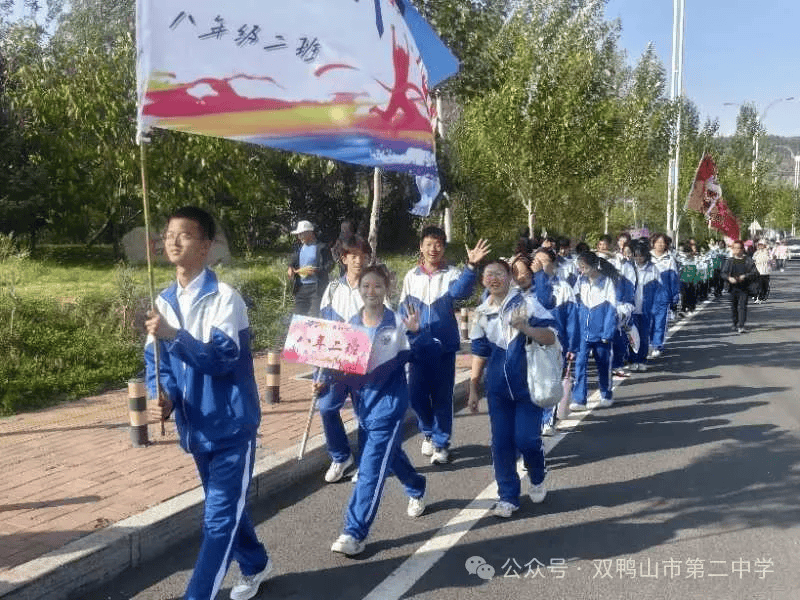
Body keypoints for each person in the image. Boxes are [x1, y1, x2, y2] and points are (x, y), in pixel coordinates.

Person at [145, 206, 271, 600]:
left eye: (184, 235)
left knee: (217, 521)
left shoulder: (225, 299)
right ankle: (255, 563)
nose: (173, 241)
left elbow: (221, 359)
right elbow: (156, 362)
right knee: (227, 508)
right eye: (169, 235)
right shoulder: (163, 301)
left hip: (232, 426)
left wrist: (174, 335)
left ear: (206, 246)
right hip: (195, 425)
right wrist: (163, 396)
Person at [321, 265, 431, 556]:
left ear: (387, 290)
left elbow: (421, 355)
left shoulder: (397, 323)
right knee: (389, 456)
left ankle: (354, 532)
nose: (372, 292)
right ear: (360, 290)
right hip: (364, 407)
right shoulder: (350, 326)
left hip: (390, 407)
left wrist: (417, 333)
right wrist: (325, 384)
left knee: (370, 468)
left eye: (378, 287)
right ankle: (416, 485)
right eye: (366, 286)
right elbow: (343, 370)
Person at [468, 259, 557, 518]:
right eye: (488, 275)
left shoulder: (528, 304)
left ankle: (537, 472)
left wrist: (526, 328)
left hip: (528, 387)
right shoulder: (482, 312)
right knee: (501, 444)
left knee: (526, 439)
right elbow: (479, 351)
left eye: (498, 273)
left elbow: (551, 336)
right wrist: (474, 388)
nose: (493, 279)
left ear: (510, 277)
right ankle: (508, 496)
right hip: (497, 391)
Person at [399, 227, 490, 465]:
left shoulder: (451, 273)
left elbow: (461, 292)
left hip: (443, 348)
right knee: (416, 396)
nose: (433, 248)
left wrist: (471, 267)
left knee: (441, 398)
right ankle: (428, 432)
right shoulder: (411, 276)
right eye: (429, 244)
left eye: (438, 244)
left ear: (443, 248)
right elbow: (402, 308)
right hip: (418, 347)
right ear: (421, 246)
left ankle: (441, 443)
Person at [316, 237, 373, 483]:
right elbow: (323, 328)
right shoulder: (332, 289)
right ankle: (341, 456)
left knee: (365, 414)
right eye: (353, 255)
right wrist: (318, 370)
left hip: (365, 363)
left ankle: (366, 463)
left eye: (362, 255)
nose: (358, 260)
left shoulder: (374, 287)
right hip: (336, 363)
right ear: (344, 259)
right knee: (327, 407)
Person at [530, 247, 579, 434]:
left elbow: (572, 319)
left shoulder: (563, 288)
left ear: (553, 263)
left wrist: (572, 345)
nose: (539, 264)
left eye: (543, 261)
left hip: (555, 342)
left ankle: (547, 420)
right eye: (536, 260)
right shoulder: (527, 285)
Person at [570, 252, 619, 410]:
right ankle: (579, 399)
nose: (581, 270)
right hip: (583, 333)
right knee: (580, 364)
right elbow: (575, 304)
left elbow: (612, 309)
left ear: (593, 266)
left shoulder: (607, 282)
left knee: (603, 364)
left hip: (601, 334)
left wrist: (607, 332)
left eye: (584, 267)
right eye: (580, 268)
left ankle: (606, 394)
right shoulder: (580, 281)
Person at [287, 220, 333, 317]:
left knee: (313, 317)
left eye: (301, 234)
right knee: (298, 316)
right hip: (301, 287)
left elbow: (329, 265)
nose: (299, 237)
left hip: (316, 288)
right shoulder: (298, 247)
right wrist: (290, 267)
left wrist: (316, 271)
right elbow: (293, 260)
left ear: (310, 233)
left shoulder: (321, 247)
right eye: (298, 234)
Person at [629, 242, 662, 371]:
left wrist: (656, 306)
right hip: (631, 308)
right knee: (632, 336)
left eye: (641, 256)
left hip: (646, 308)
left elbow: (659, 289)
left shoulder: (653, 268)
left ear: (646, 256)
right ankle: (632, 360)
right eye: (636, 256)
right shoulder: (630, 268)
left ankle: (642, 360)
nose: (638, 258)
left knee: (643, 336)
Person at [649, 233, 680, 358]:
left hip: (663, 295)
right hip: (648, 295)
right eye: (658, 242)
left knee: (660, 321)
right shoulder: (647, 257)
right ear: (653, 243)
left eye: (663, 243)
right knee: (648, 321)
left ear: (666, 245)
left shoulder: (670, 259)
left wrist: (675, 296)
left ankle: (657, 345)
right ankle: (649, 344)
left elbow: (674, 279)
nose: (660, 245)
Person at [721, 240, 758, 333]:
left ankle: (741, 325)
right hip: (732, 287)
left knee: (742, 307)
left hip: (744, 287)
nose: (736, 250)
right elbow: (723, 273)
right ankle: (734, 323)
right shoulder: (729, 261)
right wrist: (729, 278)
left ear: (742, 249)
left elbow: (754, 273)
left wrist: (744, 276)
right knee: (733, 307)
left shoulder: (748, 260)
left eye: (739, 248)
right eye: (734, 248)